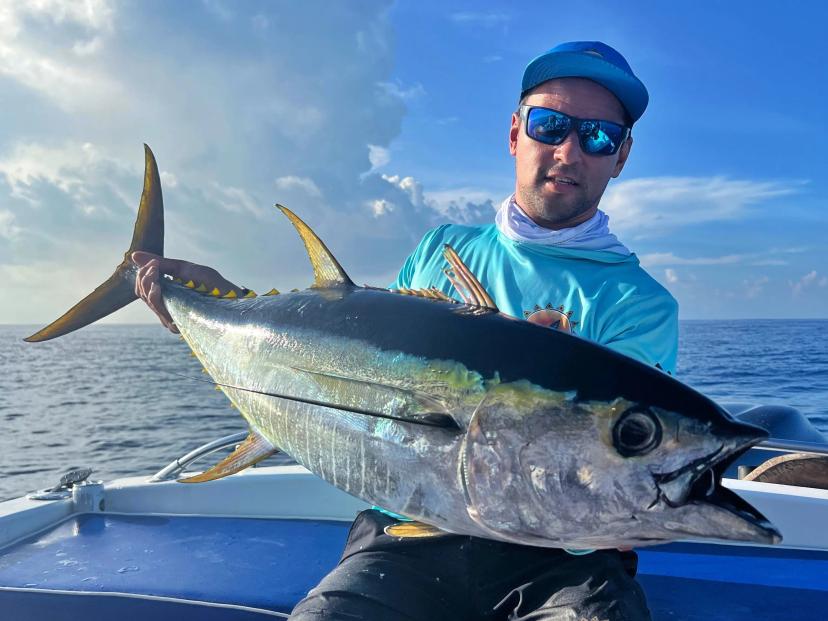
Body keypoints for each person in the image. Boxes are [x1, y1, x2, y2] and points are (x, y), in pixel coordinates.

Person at [134, 41, 675, 621]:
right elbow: (363, 368)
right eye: (551, 125)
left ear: (620, 157)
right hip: (405, 534)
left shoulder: (639, 303)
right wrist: (214, 306)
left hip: (561, 563)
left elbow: (608, 475)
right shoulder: (441, 250)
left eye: (597, 137)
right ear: (515, 135)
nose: (569, 151)